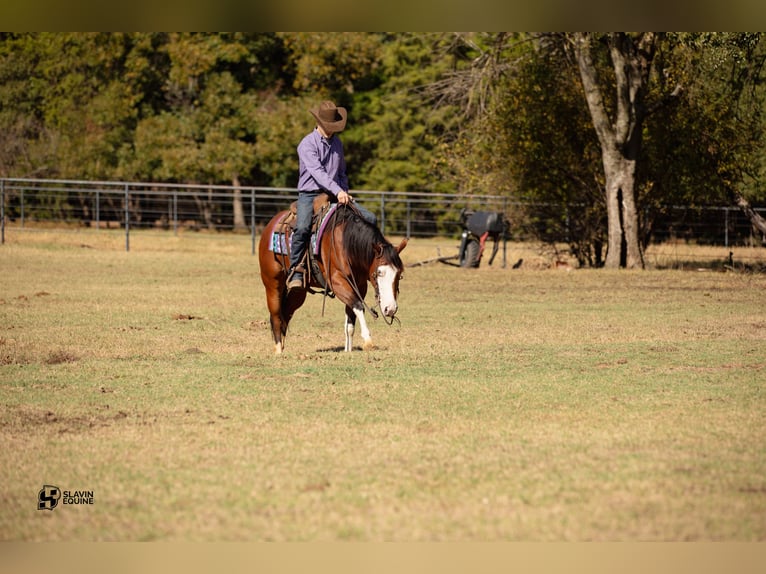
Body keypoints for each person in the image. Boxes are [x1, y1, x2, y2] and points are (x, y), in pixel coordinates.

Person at [287, 100, 377, 291]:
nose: (331, 130)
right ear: (319, 122)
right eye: (329, 126)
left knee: (369, 218)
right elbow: (317, 172)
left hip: (336, 193)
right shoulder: (307, 144)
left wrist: (344, 191)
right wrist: (338, 191)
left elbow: (342, 172)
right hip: (310, 194)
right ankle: (295, 269)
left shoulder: (337, 143)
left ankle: (368, 264)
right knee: (302, 227)